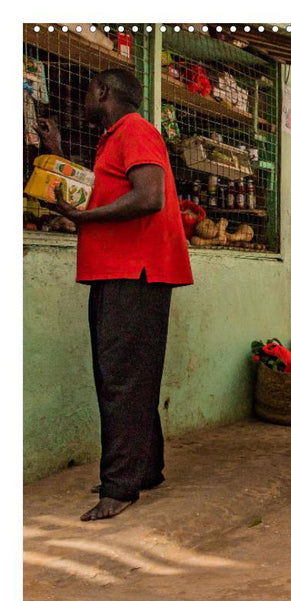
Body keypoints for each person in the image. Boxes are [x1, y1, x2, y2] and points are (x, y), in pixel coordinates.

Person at [36, 68, 193, 521]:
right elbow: (102, 190)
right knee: (131, 376)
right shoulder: (114, 137)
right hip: (122, 272)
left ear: (103, 91)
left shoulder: (135, 131)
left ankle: (119, 487)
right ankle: (145, 468)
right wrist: (58, 155)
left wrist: (85, 219)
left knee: (120, 379)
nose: (85, 96)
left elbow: (149, 197)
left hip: (134, 273)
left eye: (88, 89)